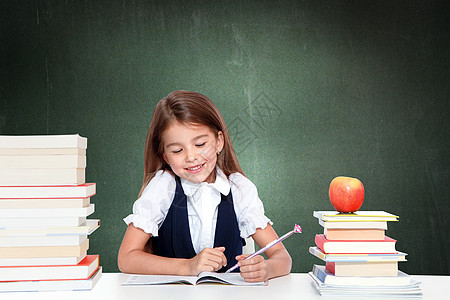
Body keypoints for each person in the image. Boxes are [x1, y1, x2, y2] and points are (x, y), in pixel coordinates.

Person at [118, 90, 292, 282]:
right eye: (177, 150)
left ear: (219, 142)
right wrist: (188, 266)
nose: (191, 157)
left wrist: (266, 268)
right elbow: (126, 258)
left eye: (200, 144)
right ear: (165, 156)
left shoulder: (239, 188)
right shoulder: (163, 186)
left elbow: (283, 258)